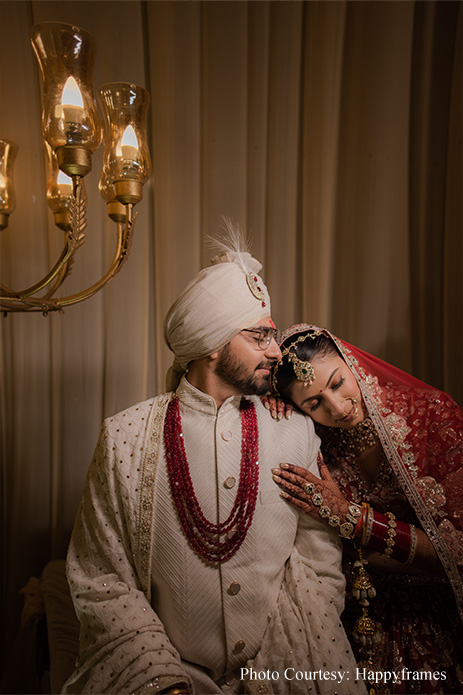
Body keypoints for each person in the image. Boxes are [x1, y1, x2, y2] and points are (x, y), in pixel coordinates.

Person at [62, 233, 365, 695]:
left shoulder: (296, 430)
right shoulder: (125, 438)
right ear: (210, 345)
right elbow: (100, 576)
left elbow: (318, 561)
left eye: (272, 332)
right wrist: (163, 682)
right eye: (259, 335)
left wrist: (284, 664)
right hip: (167, 679)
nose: (275, 350)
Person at [268, 323, 463, 695]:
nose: (337, 407)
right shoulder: (316, 441)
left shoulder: (431, 416)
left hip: (436, 620)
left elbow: (457, 553)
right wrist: (268, 408)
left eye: (338, 382)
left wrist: (352, 518)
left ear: (351, 360)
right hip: (354, 619)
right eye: (313, 404)